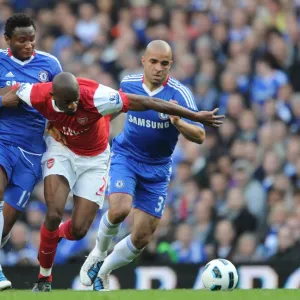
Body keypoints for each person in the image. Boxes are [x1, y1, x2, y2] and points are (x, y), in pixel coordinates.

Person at [2, 71, 223, 292]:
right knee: (53, 212)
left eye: (76, 100)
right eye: (68, 102)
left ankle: (57, 235)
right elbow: (11, 95)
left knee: (79, 230)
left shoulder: (99, 96)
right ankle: (44, 279)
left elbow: (149, 101)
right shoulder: (36, 92)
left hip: (95, 159)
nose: (74, 105)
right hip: (62, 150)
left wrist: (194, 116)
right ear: (53, 96)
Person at [80, 40, 212, 291]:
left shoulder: (179, 94)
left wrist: (179, 123)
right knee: (119, 209)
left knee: (142, 237)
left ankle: (103, 271)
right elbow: (111, 111)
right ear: (144, 61)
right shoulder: (128, 83)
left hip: (158, 169)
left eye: (164, 63)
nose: (158, 68)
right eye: (153, 62)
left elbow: (200, 135)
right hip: (126, 156)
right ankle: (97, 254)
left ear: (170, 65)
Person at [0, 13, 62, 290]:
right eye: (21, 40)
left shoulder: (50, 64)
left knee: (6, 224)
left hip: (32, 154)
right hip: (2, 141)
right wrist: (2, 99)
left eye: (32, 39)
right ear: (8, 40)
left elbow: (64, 100)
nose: (28, 45)